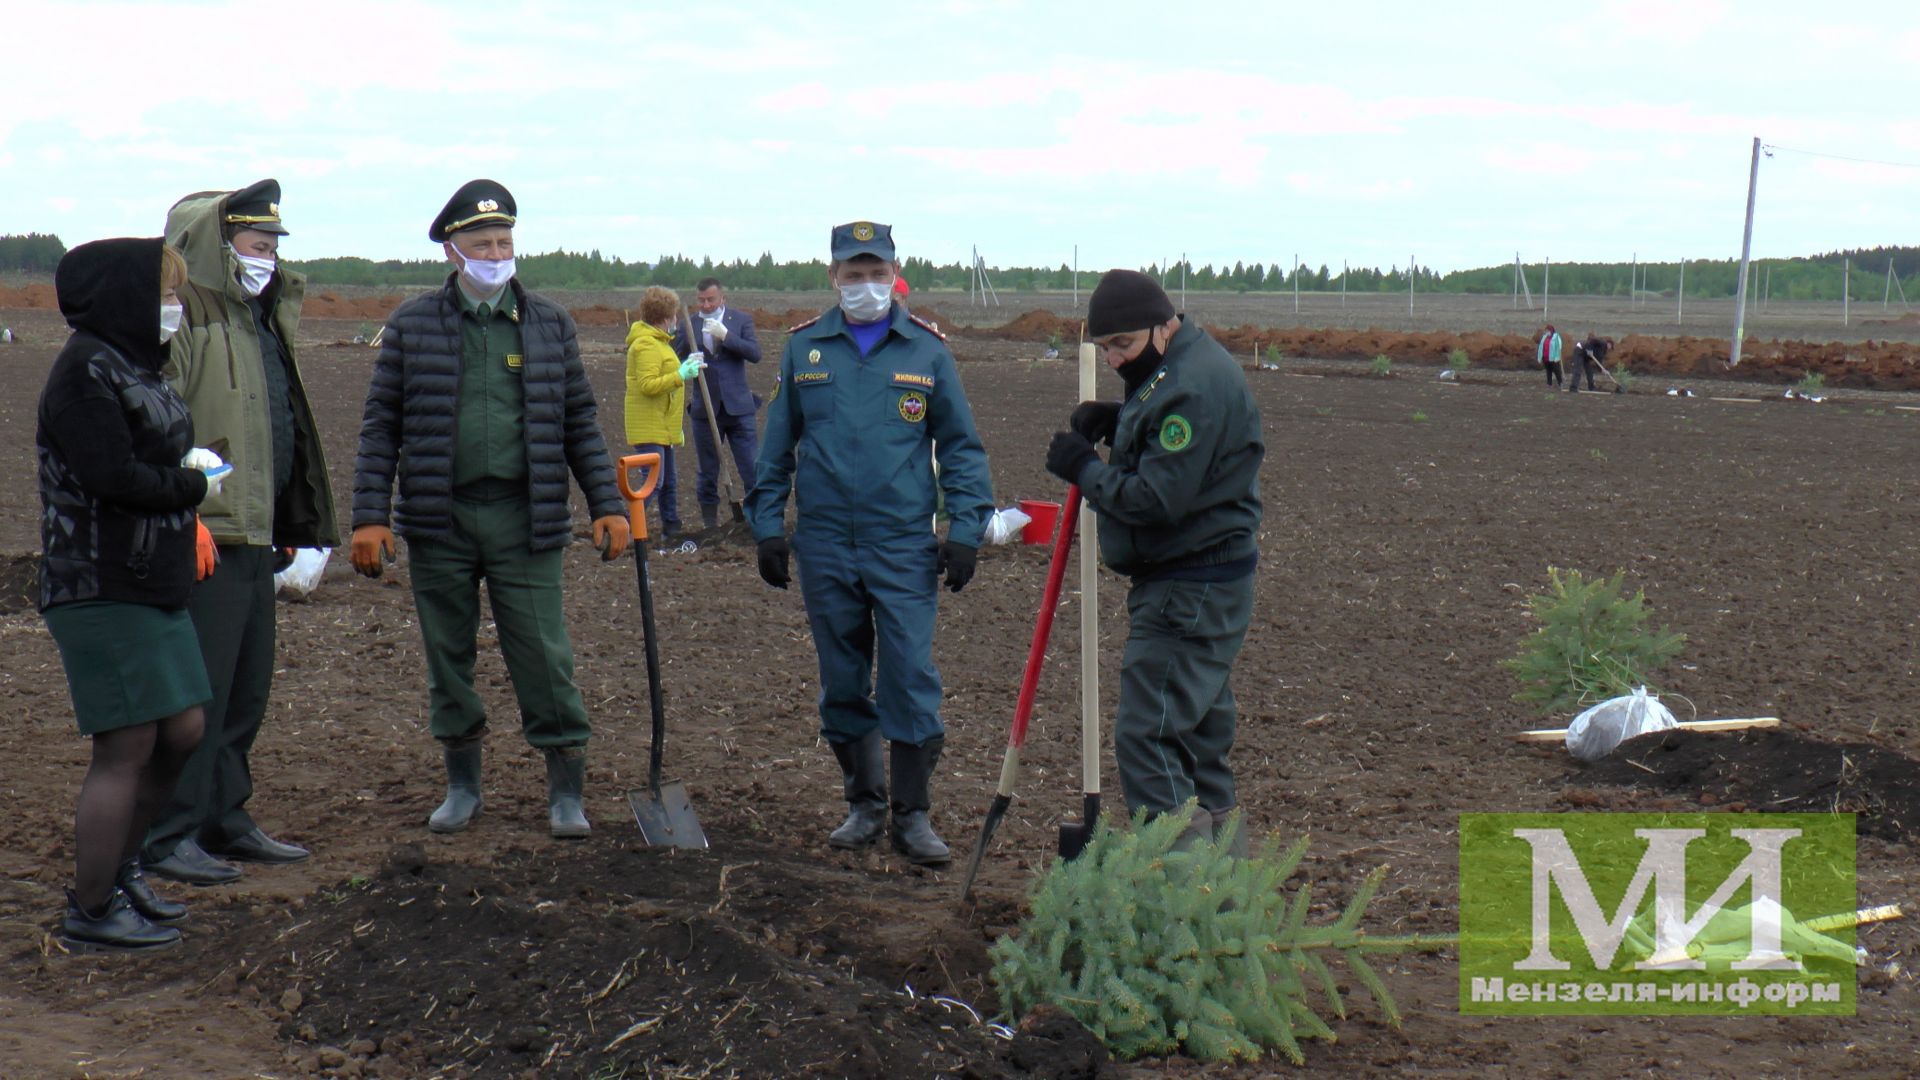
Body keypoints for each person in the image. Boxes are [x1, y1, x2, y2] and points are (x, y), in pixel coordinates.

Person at [350, 179, 631, 839]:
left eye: (505, 241)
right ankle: (462, 786)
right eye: (483, 243)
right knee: (448, 655)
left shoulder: (549, 323)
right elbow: (379, 426)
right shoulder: (413, 324)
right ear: (454, 250)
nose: (497, 252)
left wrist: (606, 504)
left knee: (542, 653)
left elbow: (580, 424)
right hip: (438, 519)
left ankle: (565, 791)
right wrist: (369, 515)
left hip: (523, 520)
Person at [747, 221, 992, 865]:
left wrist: (964, 531)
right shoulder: (805, 350)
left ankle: (913, 816)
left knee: (909, 678)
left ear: (895, 272)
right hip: (825, 546)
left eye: (875, 272)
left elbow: (962, 449)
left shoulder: (927, 352)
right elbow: (777, 449)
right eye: (852, 275)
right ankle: (864, 804)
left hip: (902, 545)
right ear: (833, 278)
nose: (865, 285)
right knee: (843, 679)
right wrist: (768, 527)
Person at [145, 180, 337, 886]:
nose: (271, 256)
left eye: (274, 245)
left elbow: (276, 423)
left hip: (255, 531)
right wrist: (186, 513)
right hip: (206, 535)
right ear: (214, 246)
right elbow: (158, 425)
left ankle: (226, 816)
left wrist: (285, 516)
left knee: (246, 690)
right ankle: (171, 832)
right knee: (201, 692)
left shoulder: (259, 320)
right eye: (258, 244)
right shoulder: (185, 319)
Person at [1044, 270, 1264, 853]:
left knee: (1150, 738)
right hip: (1208, 584)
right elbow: (1187, 456)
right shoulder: (1185, 365)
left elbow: (1156, 498)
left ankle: (1182, 901)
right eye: (1104, 348)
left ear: (1162, 326)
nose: (1114, 360)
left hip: (1187, 591)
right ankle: (1230, 898)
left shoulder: (1190, 386)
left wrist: (1085, 470)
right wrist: (1119, 422)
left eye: (1123, 345)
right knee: (1198, 742)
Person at [38, 238, 217, 949]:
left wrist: (184, 471)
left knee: (182, 731)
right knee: (128, 742)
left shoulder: (134, 364)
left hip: (150, 578)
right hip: (99, 579)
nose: (173, 308)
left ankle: (121, 872)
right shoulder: (84, 373)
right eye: (164, 294)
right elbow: (111, 476)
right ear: (125, 298)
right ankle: (89, 907)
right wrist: (193, 483)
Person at [671, 277, 761, 528]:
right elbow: (674, 358)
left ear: (722, 298)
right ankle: (710, 526)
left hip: (739, 409)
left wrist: (727, 336)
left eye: (711, 299)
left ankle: (757, 521)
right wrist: (688, 361)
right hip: (705, 409)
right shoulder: (690, 324)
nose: (706, 305)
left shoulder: (740, 320)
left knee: (751, 468)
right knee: (707, 471)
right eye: (701, 300)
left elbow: (755, 354)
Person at [625, 285, 705, 546]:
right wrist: (681, 375)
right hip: (648, 425)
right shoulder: (645, 345)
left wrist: (683, 366)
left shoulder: (660, 342)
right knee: (653, 483)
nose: (676, 320)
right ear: (666, 316)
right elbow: (648, 385)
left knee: (669, 481)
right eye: (674, 315)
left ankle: (672, 529)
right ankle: (625, 528)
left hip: (662, 425)